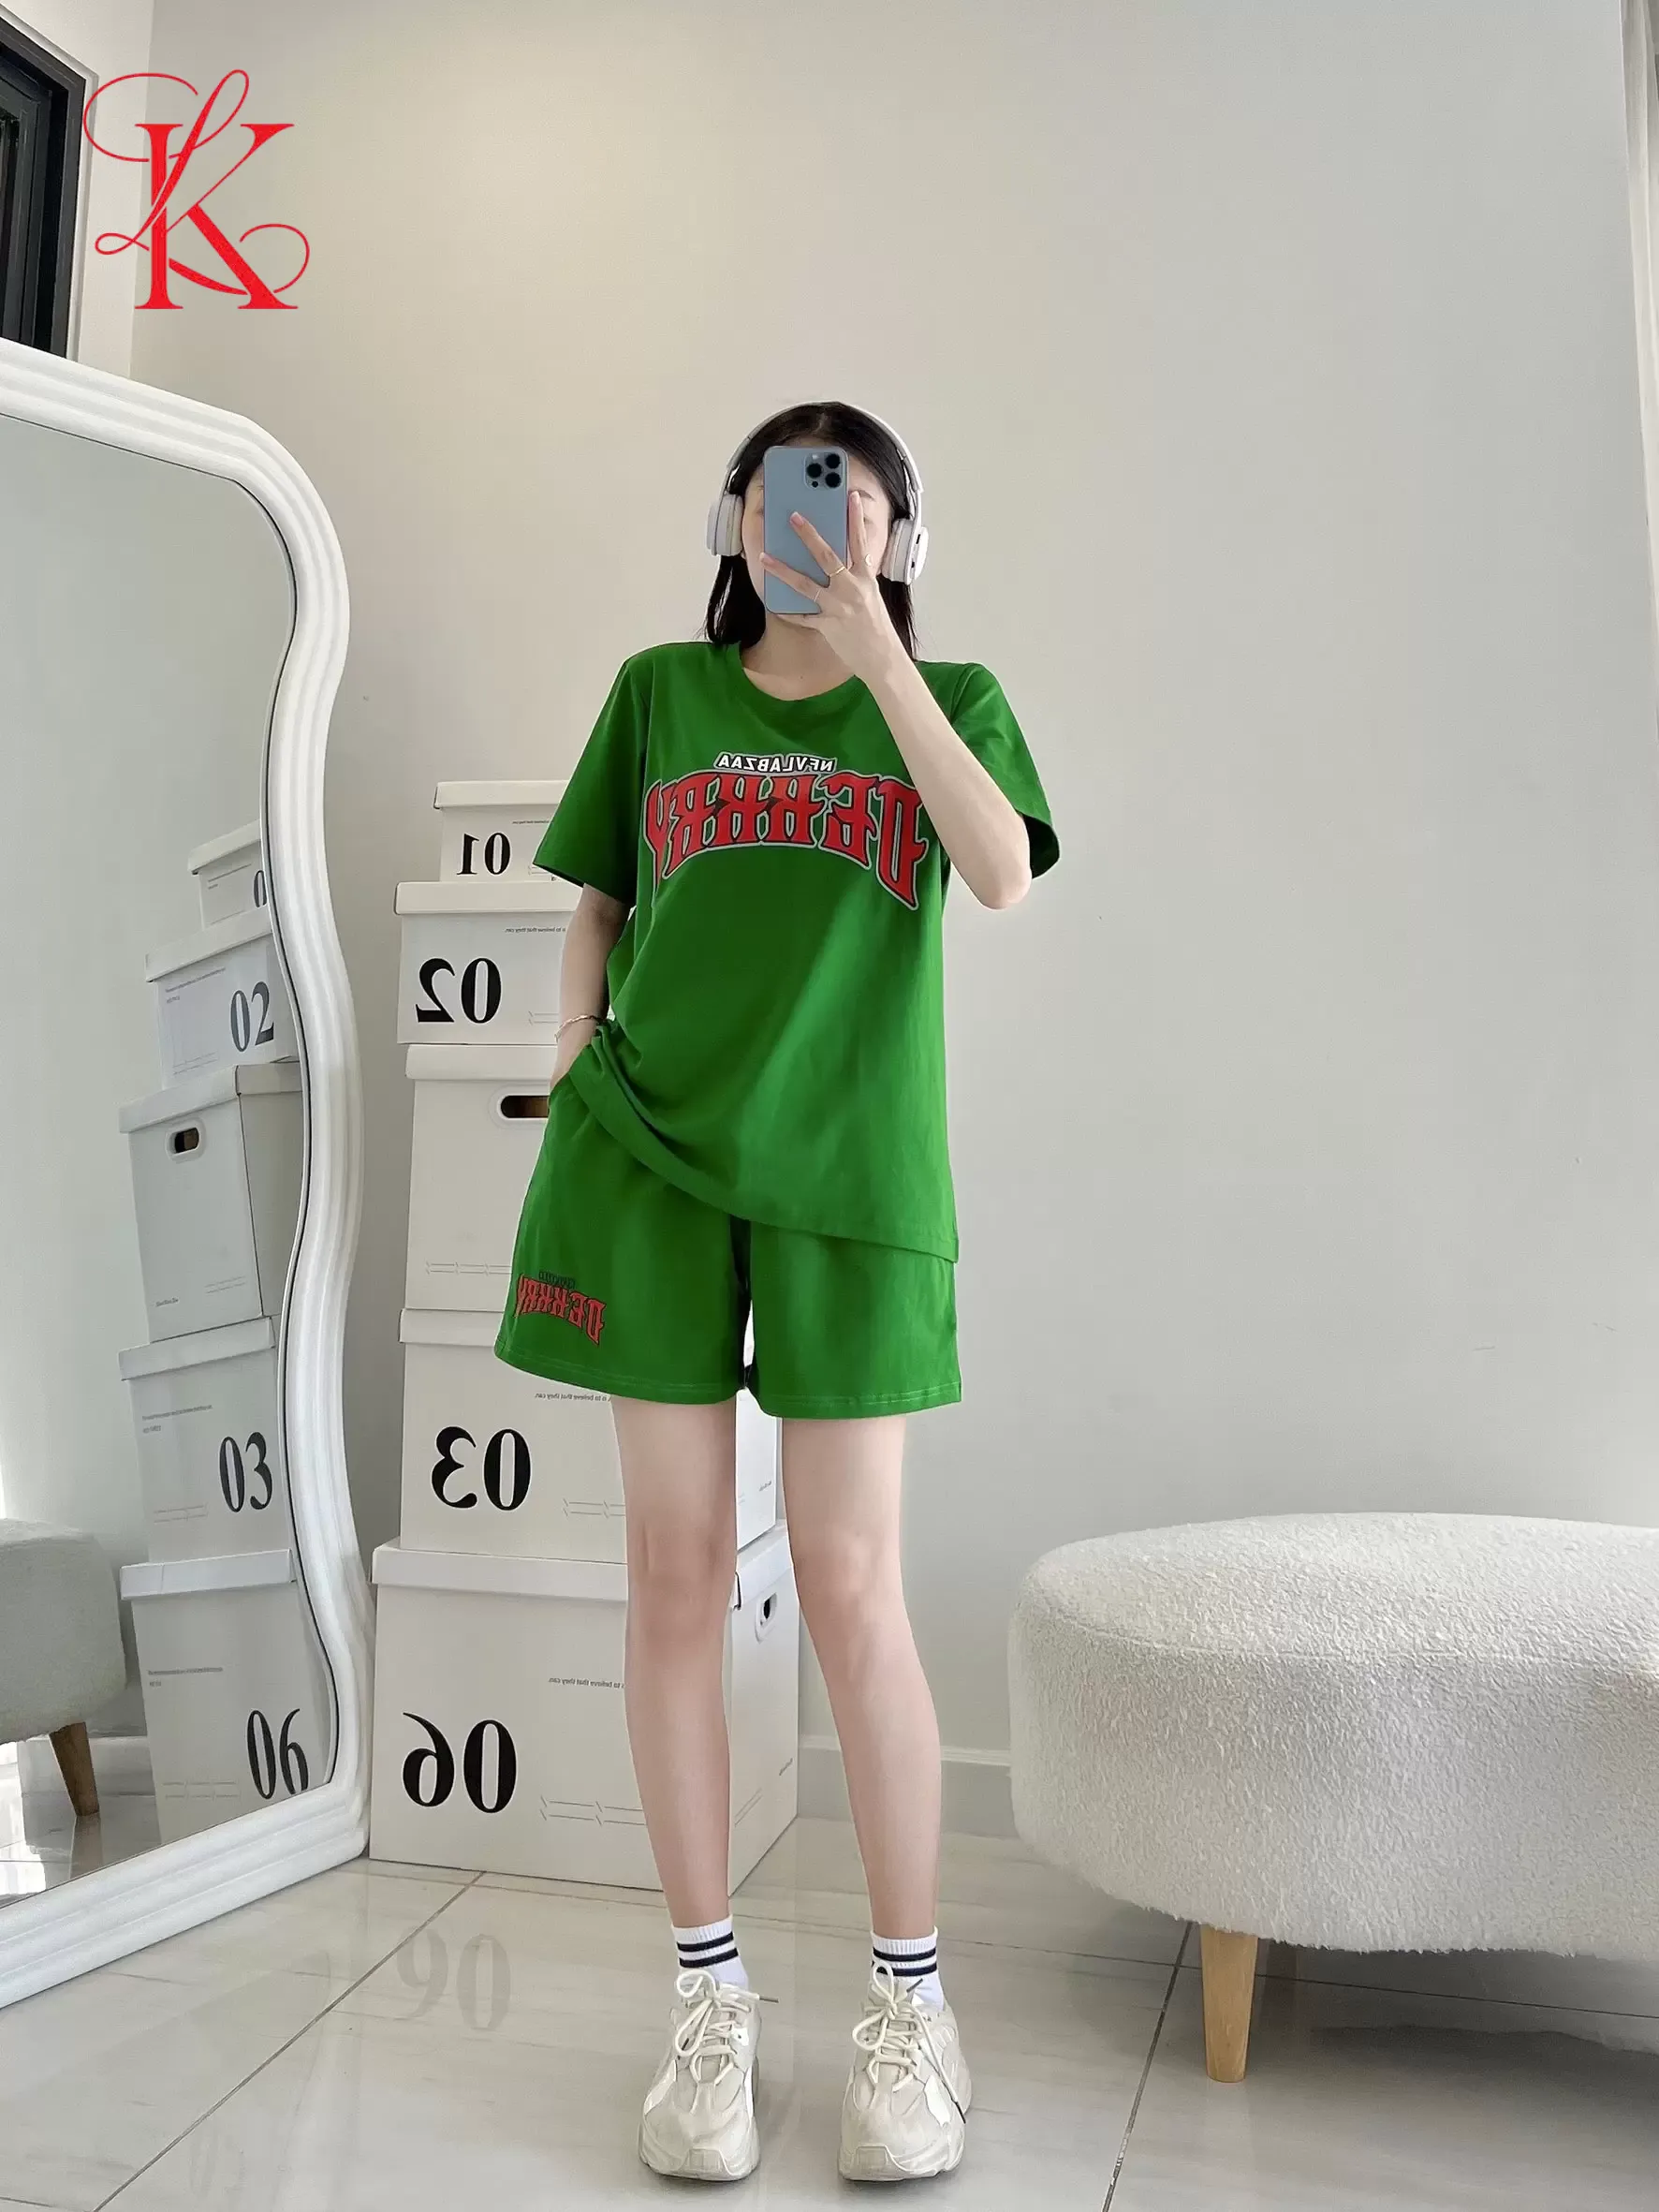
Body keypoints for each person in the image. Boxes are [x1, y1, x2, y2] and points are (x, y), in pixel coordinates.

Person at [493, 399, 1059, 2183]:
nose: (815, 515)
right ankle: (708, 2004)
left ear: (900, 533)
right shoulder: (660, 692)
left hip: (853, 1181)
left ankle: (912, 2007)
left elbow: (1001, 870)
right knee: (673, 1572)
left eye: (853, 495)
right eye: (782, 490)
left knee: (849, 1582)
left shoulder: (951, 701)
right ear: (733, 519)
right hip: (648, 1157)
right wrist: (571, 1041)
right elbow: (600, 894)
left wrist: (882, 653)